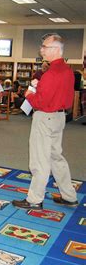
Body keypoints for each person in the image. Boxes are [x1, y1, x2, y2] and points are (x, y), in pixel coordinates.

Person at [13, 33, 78, 209]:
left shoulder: (50, 74)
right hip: (59, 117)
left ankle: (35, 200)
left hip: (45, 117)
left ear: (56, 49)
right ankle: (69, 195)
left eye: (45, 47)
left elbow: (41, 101)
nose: (41, 50)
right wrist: (39, 86)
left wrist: (29, 94)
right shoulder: (69, 71)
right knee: (56, 157)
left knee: (39, 160)